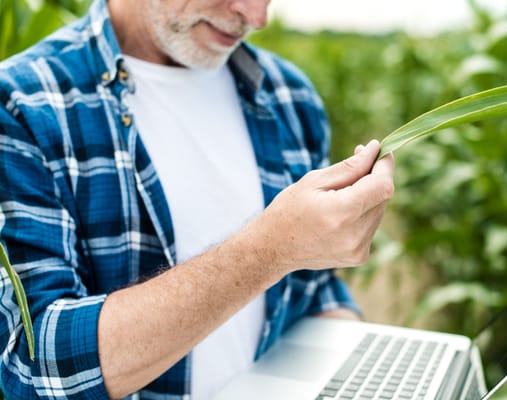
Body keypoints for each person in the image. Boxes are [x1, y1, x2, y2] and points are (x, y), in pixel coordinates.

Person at [0, 0, 394, 398]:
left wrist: (359, 377)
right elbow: (34, 368)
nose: (256, 18)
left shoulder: (290, 97)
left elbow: (314, 292)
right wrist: (269, 250)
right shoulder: (24, 103)